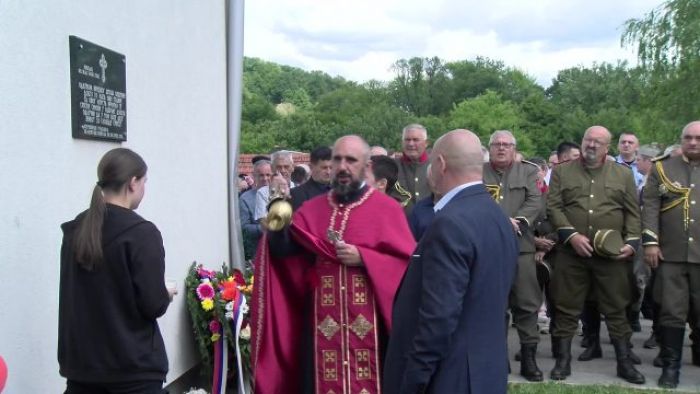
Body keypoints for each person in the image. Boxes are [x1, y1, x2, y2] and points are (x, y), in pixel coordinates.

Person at [250, 135, 415, 394]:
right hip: (320, 327)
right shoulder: (312, 208)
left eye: (351, 160)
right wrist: (279, 208)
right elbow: (282, 252)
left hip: (373, 329)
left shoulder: (387, 209)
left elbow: (405, 265)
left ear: (365, 165)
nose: (342, 166)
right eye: (337, 159)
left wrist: (365, 258)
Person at [383, 129, 518, 394]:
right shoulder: (497, 216)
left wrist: (413, 380)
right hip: (485, 370)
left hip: (450, 376)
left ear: (441, 165)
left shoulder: (449, 223)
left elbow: (438, 316)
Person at [58, 148, 175, 394]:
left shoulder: (76, 229)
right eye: (144, 182)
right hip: (132, 372)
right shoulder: (142, 233)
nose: (144, 188)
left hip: (82, 369)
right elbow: (153, 305)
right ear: (133, 183)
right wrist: (165, 292)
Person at [547, 126, 644, 384]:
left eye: (598, 142)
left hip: (610, 256)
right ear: (582, 142)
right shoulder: (561, 171)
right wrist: (571, 236)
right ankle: (563, 361)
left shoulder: (622, 175)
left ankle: (624, 363)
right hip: (571, 254)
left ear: (607, 147)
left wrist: (632, 243)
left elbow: (633, 213)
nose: (591, 145)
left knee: (616, 308)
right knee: (566, 307)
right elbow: (553, 207)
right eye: (588, 140)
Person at [642, 120, 700, 388]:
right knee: (671, 312)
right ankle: (670, 367)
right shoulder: (662, 167)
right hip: (671, 254)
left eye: (698, 138)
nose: (693, 142)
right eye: (688, 137)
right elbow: (650, 207)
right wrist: (651, 243)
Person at [483, 130, 544, 381]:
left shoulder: (528, 171)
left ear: (514, 148)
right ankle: (498, 358)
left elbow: (535, 201)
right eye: (496, 144)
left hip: (521, 247)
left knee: (527, 304)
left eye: (506, 145)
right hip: (488, 248)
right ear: (489, 148)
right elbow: (473, 198)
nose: (501, 148)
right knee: (493, 306)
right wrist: (498, 221)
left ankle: (529, 359)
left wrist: (518, 220)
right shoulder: (478, 171)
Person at [390, 124, 431, 214]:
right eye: (407, 140)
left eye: (415, 140)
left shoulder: (435, 166)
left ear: (426, 143)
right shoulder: (391, 166)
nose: (411, 144)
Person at [240, 159, 272, 260]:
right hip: (259, 254)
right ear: (254, 176)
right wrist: (264, 228)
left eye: (268, 175)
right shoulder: (245, 198)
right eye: (261, 175)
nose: (265, 178)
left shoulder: (282, 194)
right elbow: (243, 228)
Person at [254, 150, 295, 222]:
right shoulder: (262, 193)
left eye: (286, 166)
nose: (283, 170)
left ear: (292, 167)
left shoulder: (299, 189)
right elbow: (264, 224)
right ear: (272, 168)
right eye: (279, 167)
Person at [290, 146, 332, 210]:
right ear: (311, 167)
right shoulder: (297, 194)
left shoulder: (340, 191)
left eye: (331, 167)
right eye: (324, 168)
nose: (328, 172)